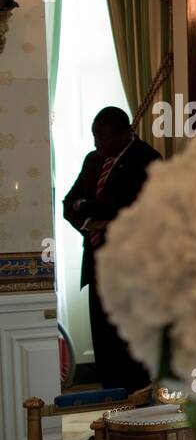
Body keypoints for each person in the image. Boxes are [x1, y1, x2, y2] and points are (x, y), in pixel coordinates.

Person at [63, 107, 161, 393]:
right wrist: (90, 222)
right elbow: (69, 204)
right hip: (96, 266)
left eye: (103, 137)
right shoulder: (93, 161)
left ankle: (138, 415)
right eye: (95, 137)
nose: (97, 144)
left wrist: (97, 210)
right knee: (105, 345)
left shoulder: (148, 160)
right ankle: (111, 412)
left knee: (130, 346)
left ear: (124, 131)